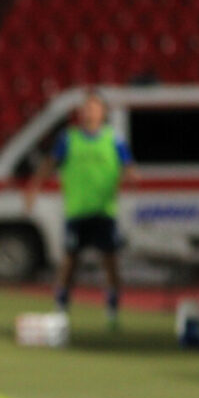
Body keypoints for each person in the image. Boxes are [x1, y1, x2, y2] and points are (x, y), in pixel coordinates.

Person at [26, 91, 137, 327]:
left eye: (95, 107)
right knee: (69, 262)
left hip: (104, 211)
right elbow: (49, 164)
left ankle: (113, 311)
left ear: (103, 112)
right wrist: (34, 187)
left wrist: (130, 176)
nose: (90, 112)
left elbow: (128, 166)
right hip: (77, 211)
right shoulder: (69, 138)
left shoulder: (113, 139)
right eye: (86, 107)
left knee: (110, 263)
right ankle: (61, 308)